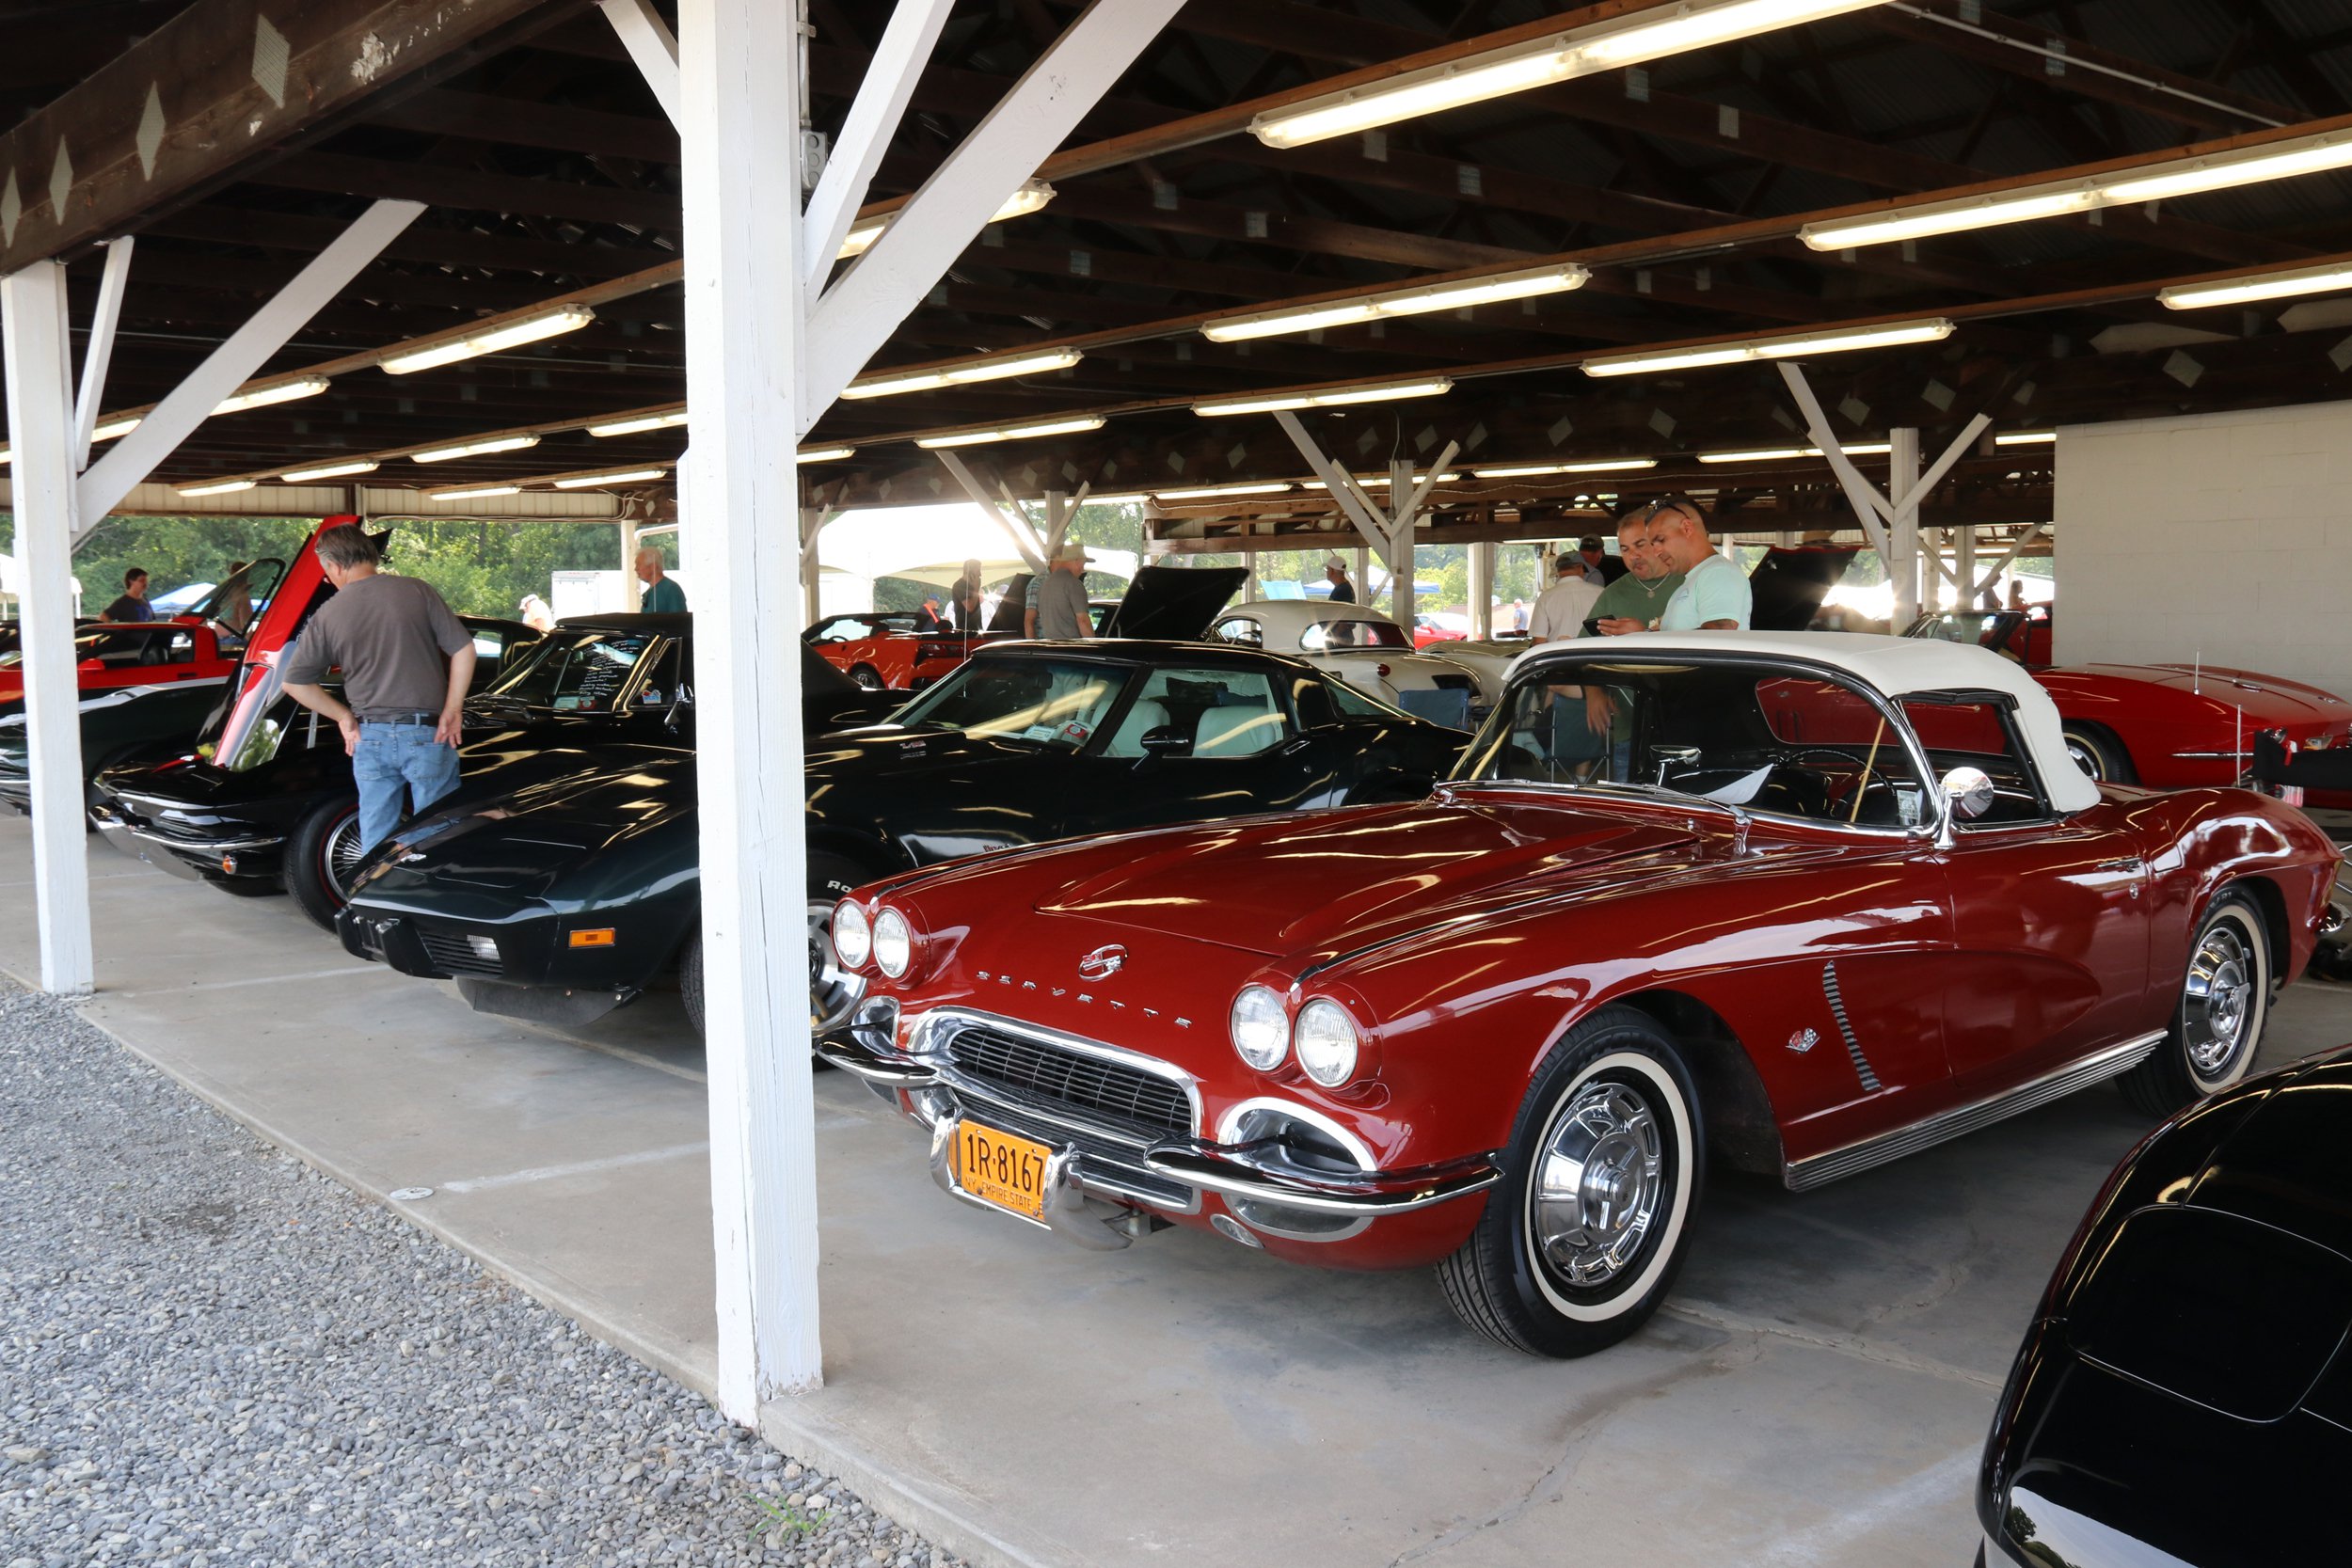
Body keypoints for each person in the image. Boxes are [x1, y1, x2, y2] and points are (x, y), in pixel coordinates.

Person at [280, 527, 478, 853]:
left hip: (368, 737)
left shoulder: (327, 614)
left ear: (336, 566)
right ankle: (427, 898)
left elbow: (294, 682)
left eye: (326, 571)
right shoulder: (416, 591)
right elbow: (464, 649)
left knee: (375, 831)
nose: (328, 579)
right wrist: (452, 710)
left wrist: (342, 716)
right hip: (427, 733)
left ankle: (371, 900)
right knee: (436, 832)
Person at [1645, 496, 1751, 631]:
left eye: (1661, 540)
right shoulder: (1697, 578)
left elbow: (1719, 635)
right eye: (1653, 544)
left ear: (1687, 528)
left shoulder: (1719, 572)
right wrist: (1640, 634)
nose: (1656, 552)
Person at [1590, 509, 1688, 636]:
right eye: (1625, 549)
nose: (1633, 556)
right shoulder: (1612, 594)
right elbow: (1587, 645)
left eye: (1640, 545)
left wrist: (1642, 634)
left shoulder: (1690, 582)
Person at [1526, 551, 1604, 643]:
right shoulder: (1601, 592)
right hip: (1595, 655)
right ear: (1581, 567)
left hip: (1560, 656)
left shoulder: (1545, 597)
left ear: (1558, 571)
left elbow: (1539, 641)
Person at [1025, 542, 1094, 639]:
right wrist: (1093, 646)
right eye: (1082, 564)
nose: (1082, 569)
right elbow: (1083, 621)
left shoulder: (1045, 584)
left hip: (1049, 647)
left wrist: (1036, 650)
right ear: (1076, 561)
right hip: (1071, 648)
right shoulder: (1073, 584)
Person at [636, 546, 686, 613]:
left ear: (653, 566)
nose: (636, 569)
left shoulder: (671, 589)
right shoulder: (650, 592)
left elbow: (680, 621)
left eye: (638, 565)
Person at [951, 558, 985, 630]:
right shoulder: (959, 585)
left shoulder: (971, 587)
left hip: (976, 629)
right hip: (965, 631)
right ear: (970, 572)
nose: (980, 574)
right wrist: (976, 589)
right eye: (978, 571)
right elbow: (970, 607)